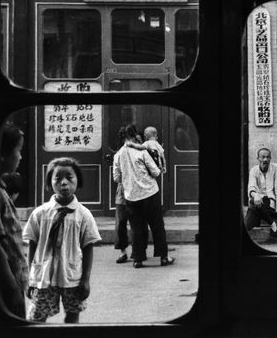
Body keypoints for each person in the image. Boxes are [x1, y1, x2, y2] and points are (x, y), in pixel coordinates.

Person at [23, 157, 101, 323]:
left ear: (77, 181)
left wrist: (86, 279)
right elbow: (33, 244)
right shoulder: (40, 213)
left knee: (73, 315)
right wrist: (31, 277)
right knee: (37, 316)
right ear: (50, 181)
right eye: (58, 178)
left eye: (69, 178)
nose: (64, 183)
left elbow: (88, 247)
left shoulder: (84, 215)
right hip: (44, 276)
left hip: (72, 276)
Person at [113, 124, 175, 268]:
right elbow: (156, 172)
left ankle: (138, 260)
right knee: (157, 225)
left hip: (131, 197)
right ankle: (163, 257)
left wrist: (129, 178)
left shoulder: (118, 155)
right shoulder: (142, 151)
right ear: (135, 136)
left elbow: (116, 178)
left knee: (137, 228)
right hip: (150, 193)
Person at [0, 122, 29, 318]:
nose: (20, 156)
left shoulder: (0, 188)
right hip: (7, 284)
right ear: (3, 154)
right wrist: (12, 286)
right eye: (19, 150)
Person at [245, 148, 277, 238]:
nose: (265, 160)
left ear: (270, 158)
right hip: (257, 202)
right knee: (248, 224)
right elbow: (251, 187)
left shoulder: (275, 167)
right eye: (263, 157)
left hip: (269, 203)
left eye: (267, 157)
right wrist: (255, 195)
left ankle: (270, 223)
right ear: (258, 158)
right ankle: (272, 222)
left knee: (253, 203)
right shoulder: (254, 170)